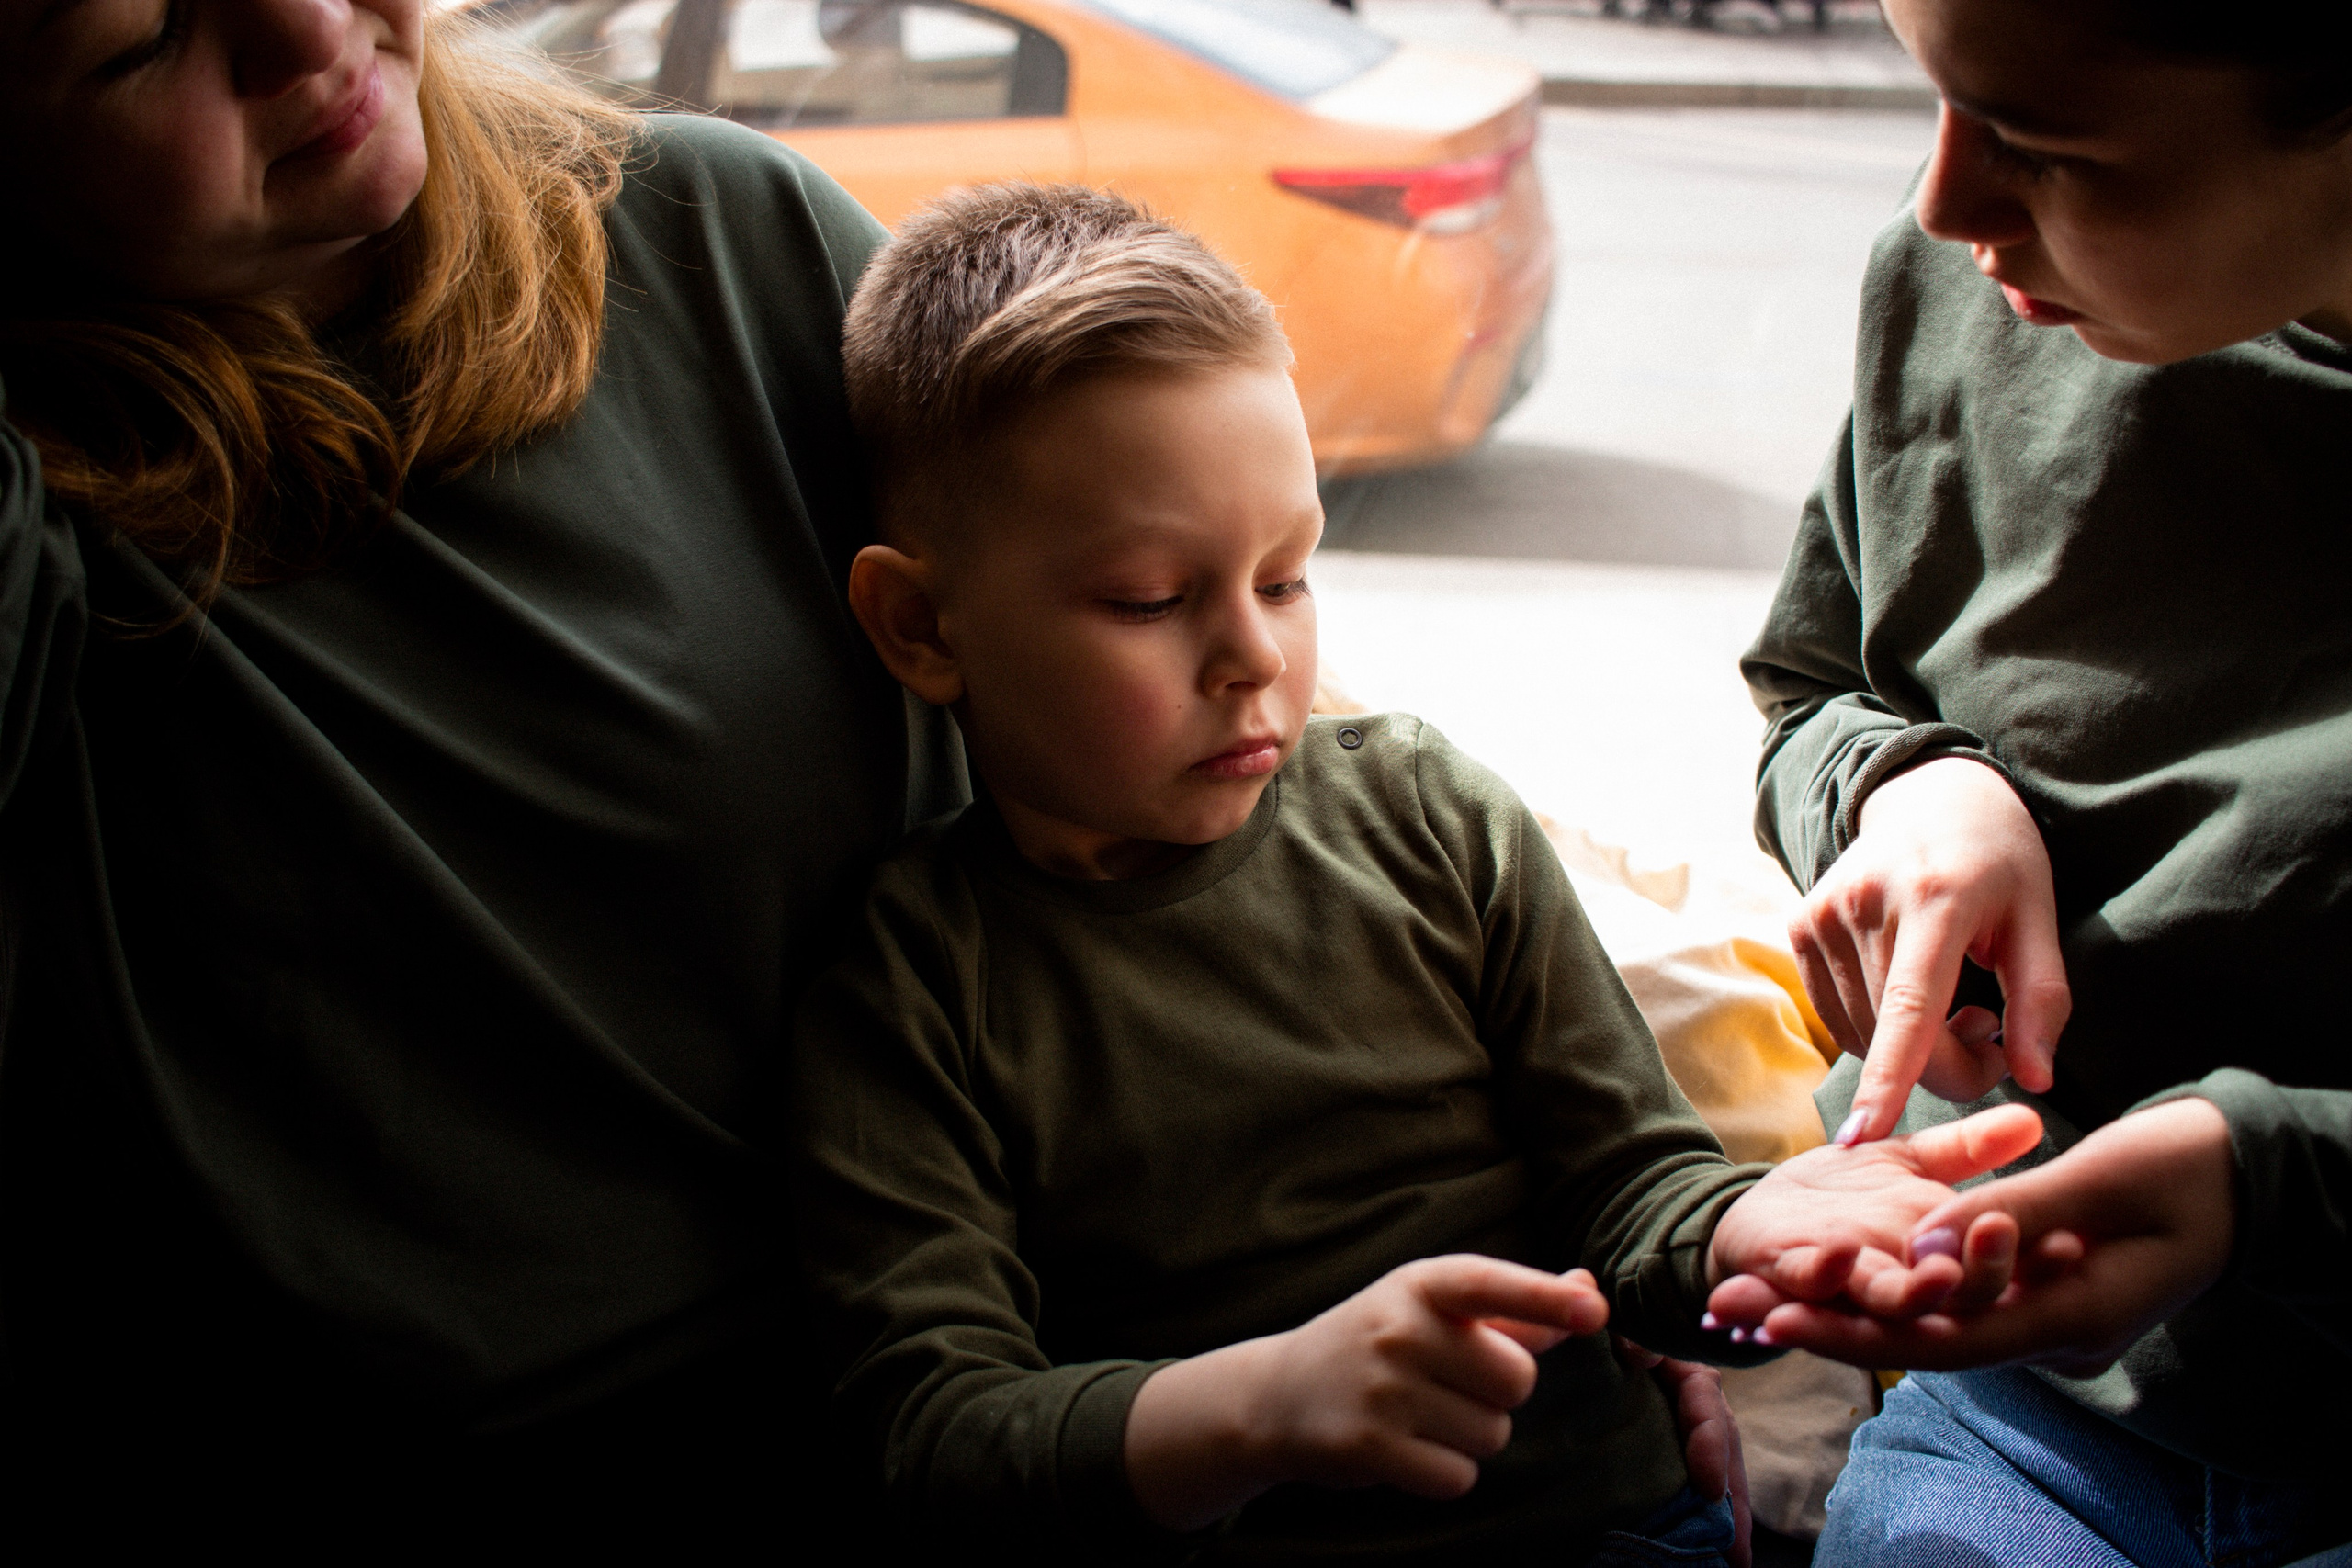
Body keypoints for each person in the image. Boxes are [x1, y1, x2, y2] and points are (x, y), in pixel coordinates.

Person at [787, 181, 2047, 1564]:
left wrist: (1754, 1234)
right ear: (921, 626)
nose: (1256, 656)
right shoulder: (915, 982)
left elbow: (1633, 1190)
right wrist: (1266, 1406)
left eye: (1287, 578)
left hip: (1626, 1522)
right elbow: (935, 1437)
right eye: (1150, 598)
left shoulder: (1429, 817)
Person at [0, 0, 976, 1529]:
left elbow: (1201, 718)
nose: (305, 29)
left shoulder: (722, 231)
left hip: (1028, 1357)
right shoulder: (52, 548)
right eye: (146, 38)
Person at [1719, 0, 2352, 1560]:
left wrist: (2268, 1185)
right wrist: (1903, 786)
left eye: (2048, 147)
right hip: (2029, 1419)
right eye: (1931, 96)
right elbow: (1816, 684)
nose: (1945, 206)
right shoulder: (1968, 284)